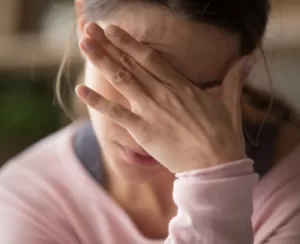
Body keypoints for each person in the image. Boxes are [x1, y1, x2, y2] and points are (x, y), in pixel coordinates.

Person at [1, 0, 300, 243]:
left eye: (190, 94)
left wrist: (213, 181)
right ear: (82, 25)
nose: (145, 126)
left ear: (241, 69)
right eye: (128, 75)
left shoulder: (290, 194)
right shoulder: (26, 198)